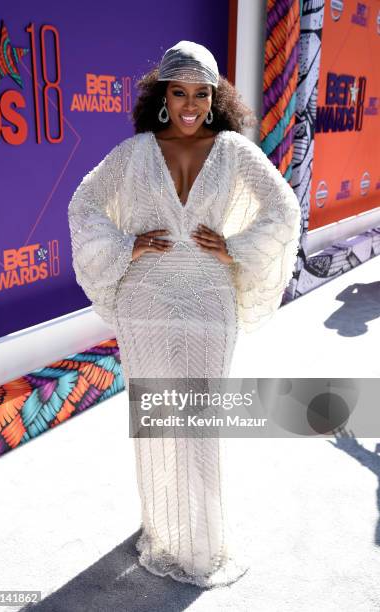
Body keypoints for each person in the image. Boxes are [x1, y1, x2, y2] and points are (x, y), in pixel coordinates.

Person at [68, 40, 301, 588]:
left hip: (208, 304)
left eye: (202, 93)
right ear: (163, 95)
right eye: (180, 92)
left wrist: (235, 248)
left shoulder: (234, 151)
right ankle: (163, 526)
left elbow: (283, 208)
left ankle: (200, 544)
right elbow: (83, 204)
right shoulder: (134, 153)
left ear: (216, 98)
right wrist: (127, 244)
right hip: (145, 305)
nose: (191, 104)